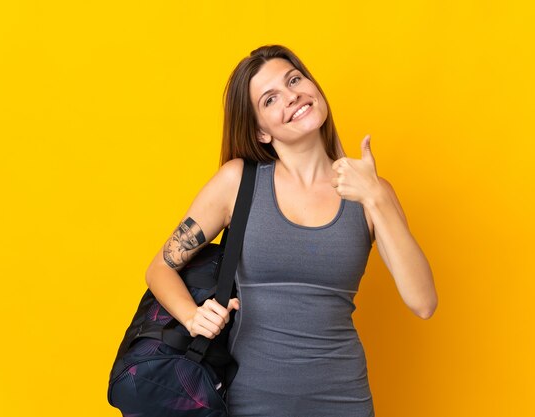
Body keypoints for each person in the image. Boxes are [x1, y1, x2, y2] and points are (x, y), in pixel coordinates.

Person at [145, 45, 438, 417]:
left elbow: (423, 302)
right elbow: (160, 267)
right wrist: (191, 315)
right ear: (260, 131)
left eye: (295, 80)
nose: (293, 95)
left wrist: (376, 196)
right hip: (249, 401)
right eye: (270, 99)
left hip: (344, 400)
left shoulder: (371, 191)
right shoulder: (237, 182)